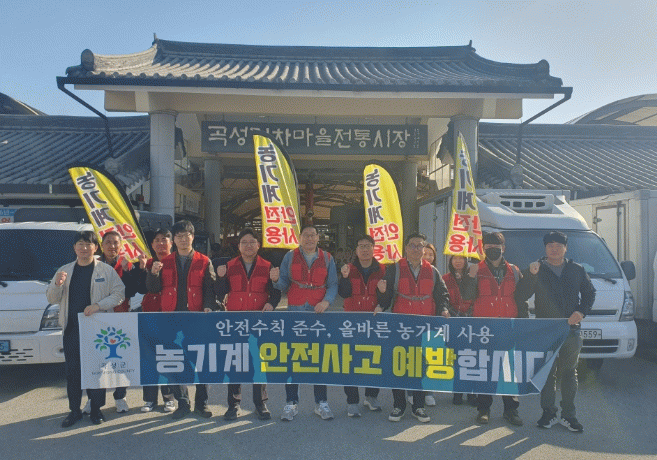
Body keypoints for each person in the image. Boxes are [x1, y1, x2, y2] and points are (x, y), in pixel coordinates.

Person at [47, 230, 125, 427]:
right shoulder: (64, 270)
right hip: (72, 330)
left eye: (88, 244)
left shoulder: (105, 271)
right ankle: (74, 411)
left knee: (97, 371)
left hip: (97, 331)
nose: (84, 248)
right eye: (80, 244)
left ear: (95, 248)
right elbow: (51, 298)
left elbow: (119, 294)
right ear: (74, 248)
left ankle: (96, 410)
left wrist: (99, 305)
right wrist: (57, 284)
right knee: (73, 372)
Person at [520, 231, 595, 433]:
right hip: (546, 330)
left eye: (558, 245)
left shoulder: (576, 269)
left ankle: (569, 415)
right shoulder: (538, 268)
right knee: (547, 372)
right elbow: (521, 294)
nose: (554, 249)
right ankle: (548, 413)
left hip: (571, 329)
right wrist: (530, 275)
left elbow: (590, 293)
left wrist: (581, 312)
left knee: (569, 372)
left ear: (565, 248)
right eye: (550, 245)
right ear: (545, 248)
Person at [146, 220, 217, 419]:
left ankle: (202, 403)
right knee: (174, 360)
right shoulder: (165, 262)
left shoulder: (204, 261)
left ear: (193, 237)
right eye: (179, 236)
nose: (183, 239)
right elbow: (153, 289)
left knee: (202, 361)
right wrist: (153, 274)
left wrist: (208, 305)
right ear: (174, 240)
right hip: (171, 317)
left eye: (187, 235)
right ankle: (183, 403)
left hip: (196, 317)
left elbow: (210, 287)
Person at [377, 232, 451, 424]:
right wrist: (382, 297)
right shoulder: (395, 269)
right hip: (401, 325)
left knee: (420, 366)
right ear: (406, 248)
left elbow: (442, 294)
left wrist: (443, 309)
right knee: (399, 365)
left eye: (420, 245)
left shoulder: (432, 271)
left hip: (424, 325)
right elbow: (386, 297)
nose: (416, 249)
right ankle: (399, 405)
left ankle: (419, 406)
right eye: (412, 245)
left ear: (424, 249)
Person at [270, 224, 338, 421]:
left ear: (318, 238)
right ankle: (291, 403)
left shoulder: (327, 258)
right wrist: (275, 280)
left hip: (319, 312)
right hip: (296, 310)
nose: (309, 238)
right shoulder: (290, 256)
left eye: (312, 235)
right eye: (305, 235)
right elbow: (283, 283)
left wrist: (327, 301)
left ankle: (321, 402)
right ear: (299, 238)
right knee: (294, 357)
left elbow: (333, 284)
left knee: (319, 357)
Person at [214, 227, 281, 421]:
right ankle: (233, 405)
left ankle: (260, 404)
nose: (248, 245)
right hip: (236, 322)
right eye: (244, 242)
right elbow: (220, 292)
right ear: (239, 246)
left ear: (259, 245)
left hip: (259, 322)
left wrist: (271, 303)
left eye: (252, 242)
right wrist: (220, 277)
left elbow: (275, 292)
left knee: (258, 363)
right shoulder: (230, 266)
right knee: (235, 363)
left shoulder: (267, 266)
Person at [468, 232, 530, 427]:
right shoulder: (476, 269)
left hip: (508, 326)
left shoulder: (514, 270)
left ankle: (511, 410)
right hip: (484, 328)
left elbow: (521, 299)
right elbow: (467, 296)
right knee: (485, 369)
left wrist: (523, 324)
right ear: (483, 249)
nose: (492, 250)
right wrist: (470, 277)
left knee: (509, 369)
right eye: (488, 247)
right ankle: (483, 409)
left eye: (496, 247)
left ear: (503, 248)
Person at [80, 230, 141, 414]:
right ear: (101, 245)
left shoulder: (127, 264)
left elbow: (132, 291)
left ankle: (120, 396)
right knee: (95, 360)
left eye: (115, 243)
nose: (112, 246)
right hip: (96, 318)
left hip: (120, 317)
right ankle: (92, 399)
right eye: (108, 242)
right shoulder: (93, 263)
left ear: (121, 245)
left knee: (120, 360)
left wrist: (129, 272)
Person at [338, 235, 386, 417]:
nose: (365, 249)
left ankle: (371, 396)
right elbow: (344, 294)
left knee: (374, 359)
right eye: (361, 246)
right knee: (350, 361)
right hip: (352, 322)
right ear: (356, 250)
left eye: (368, 246)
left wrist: (382, 301)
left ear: (374, 248)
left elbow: (388, 295)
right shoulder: (348, 269)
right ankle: (352, 401)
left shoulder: (383, 269)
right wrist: (344, 278)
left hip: (374, 322)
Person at [139, 228, 176, 413]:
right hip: (150, 315)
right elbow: (139, 288)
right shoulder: (146, 263)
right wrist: (141, 270)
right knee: (149, 357)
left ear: (171, 243)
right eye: (157, 240)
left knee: (168, 356)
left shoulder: (177, 262)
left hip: (170, 316)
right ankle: (149, 399)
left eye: (164, 239)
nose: (161, 243)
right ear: (152, 245)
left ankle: (169, 398)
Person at [442, 255, 477, 406]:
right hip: (453, 320)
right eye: (454, 258)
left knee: (471, 357)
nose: (457, 261)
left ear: (466, 260)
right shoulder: (445, 278)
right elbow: (443, 298)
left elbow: (478, 296)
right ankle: (457, 391)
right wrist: (452, 313)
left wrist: (470, 313)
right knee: (456, 357)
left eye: (461, 258)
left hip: (471, 320)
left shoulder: (473, 275)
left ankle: (471, 392)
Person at [420, 242, 439, 407]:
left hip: (430, 320)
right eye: (424, 253)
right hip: (412, 322)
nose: (427, 257)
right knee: (413, 356)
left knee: (429, 356)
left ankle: (429, 391)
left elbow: (442, 295)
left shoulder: (435, 273)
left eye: (430, 254)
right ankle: (412, 391)